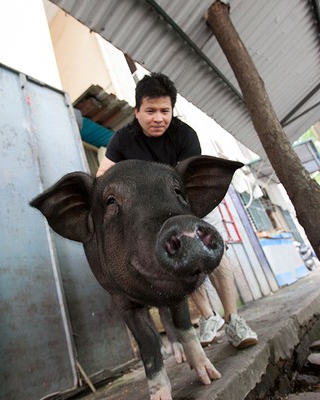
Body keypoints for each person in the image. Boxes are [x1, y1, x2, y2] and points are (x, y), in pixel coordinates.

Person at [96, 72, 258, 349]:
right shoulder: (123, 139)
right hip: (155, 214)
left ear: (172, 110)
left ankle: (234, 320)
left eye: (164, 111)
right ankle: (209, 317)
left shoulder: (184, 134)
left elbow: (190, 182)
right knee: (177, 262)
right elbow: (103, 173)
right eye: (150, 111)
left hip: (193, 201)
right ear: (137, 112)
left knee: (214, 257)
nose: (158, 118)